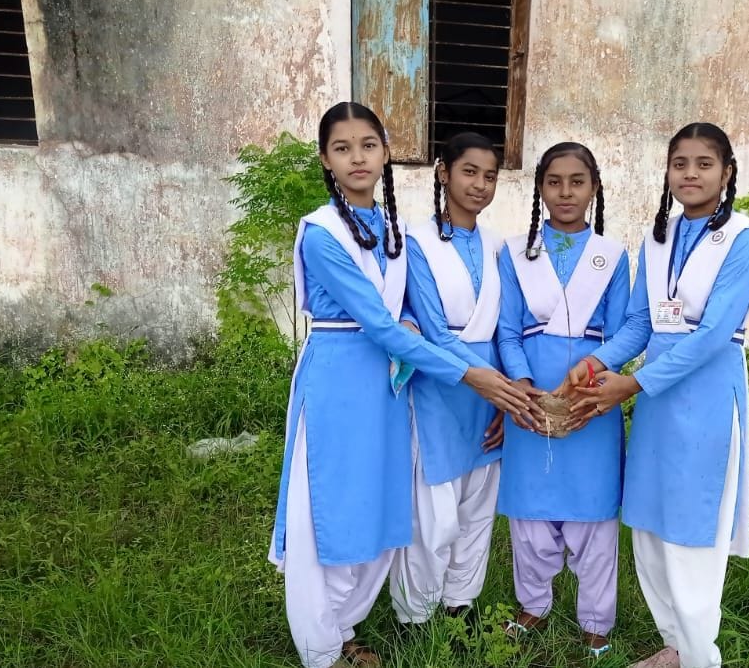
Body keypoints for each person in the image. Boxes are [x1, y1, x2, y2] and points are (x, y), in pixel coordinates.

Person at [268, 102, 536, 668]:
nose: (357, 158)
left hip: (389, 386)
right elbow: (381, 323)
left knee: (383, 502)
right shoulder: (322, 233)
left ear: (386, 152)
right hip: (341, 380)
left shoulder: (389, 229)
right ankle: (322, 646)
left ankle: (347, 626)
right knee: (335, 504)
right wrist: (468, 372)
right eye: (342, 148)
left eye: (368, 145)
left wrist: (416, 327)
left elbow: (403, 310)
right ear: (325, 159)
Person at [565, 123, 749, 668]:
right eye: (680, 163)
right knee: (651, 528)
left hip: (705, 396)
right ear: (668, 172)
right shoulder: (659, 238)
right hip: (658, 400)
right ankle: (675, 648)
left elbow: (712, 334)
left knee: (690, 533)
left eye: (704, 164)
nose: (690, 174)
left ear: (727, 172)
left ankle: (702, 657)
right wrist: (597, 362)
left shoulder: (745, 238)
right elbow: (641, 323)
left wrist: (632, 384)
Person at [495, 142, 629, 658]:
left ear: (594, 187)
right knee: (530, 508)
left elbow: (628, 330)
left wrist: (595, 371)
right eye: (554, 181)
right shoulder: (515, 253)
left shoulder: (612, 256)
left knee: (593, 509)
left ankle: (596, 618)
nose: (565, 192)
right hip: (531, 394)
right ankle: (533, 603)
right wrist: (522, 383)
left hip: (591, 394)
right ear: (540, 188)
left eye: (577, 181)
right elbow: (508, 331)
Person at [389, 132, 508, 624]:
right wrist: (488, 381)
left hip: (491, 387)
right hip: (443, 382)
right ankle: (416, 615)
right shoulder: (415, 241)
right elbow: (435, 331)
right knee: (433, 509)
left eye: (490, 176)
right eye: (469, 172)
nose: (479, 185)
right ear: (443, 173)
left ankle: (461, 605)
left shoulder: (498, 245)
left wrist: (504, 396)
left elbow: (505, 327)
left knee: (478, 501)